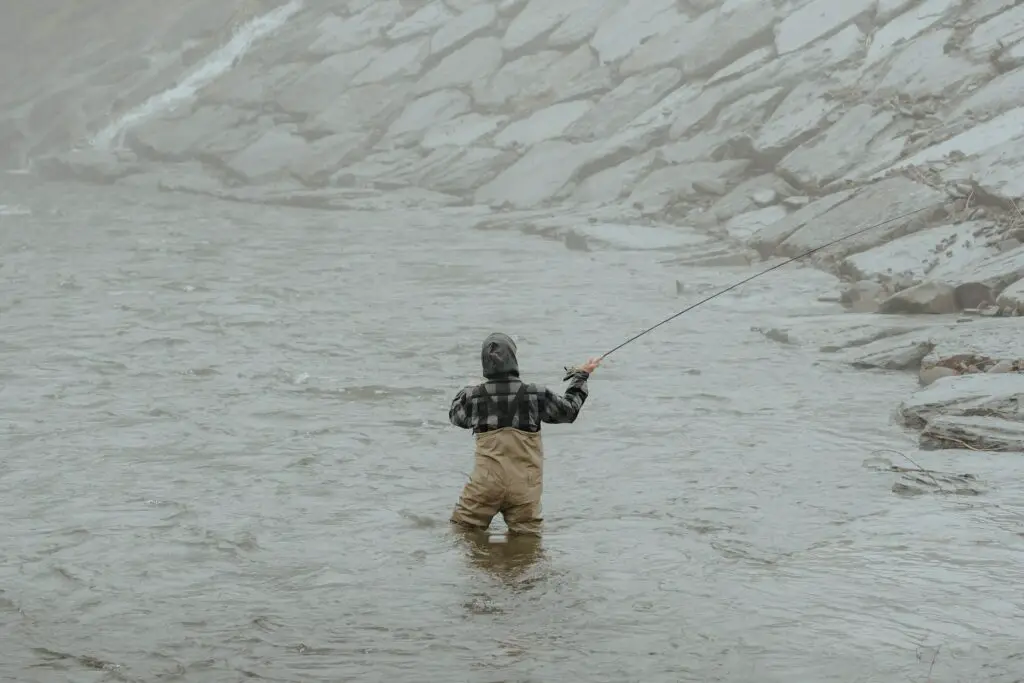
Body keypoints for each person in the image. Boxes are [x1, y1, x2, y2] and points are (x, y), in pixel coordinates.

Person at [448, 332, 601, 536]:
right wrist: (581, 376)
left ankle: (480, 566)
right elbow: (569, 411)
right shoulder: (535, 394)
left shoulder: (473, 396)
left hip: (485, 485)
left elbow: (455, 416)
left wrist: (469, 388)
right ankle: (520, 565)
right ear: (513, 359)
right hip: (525, 487)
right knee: (527, 544)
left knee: (462, 532)